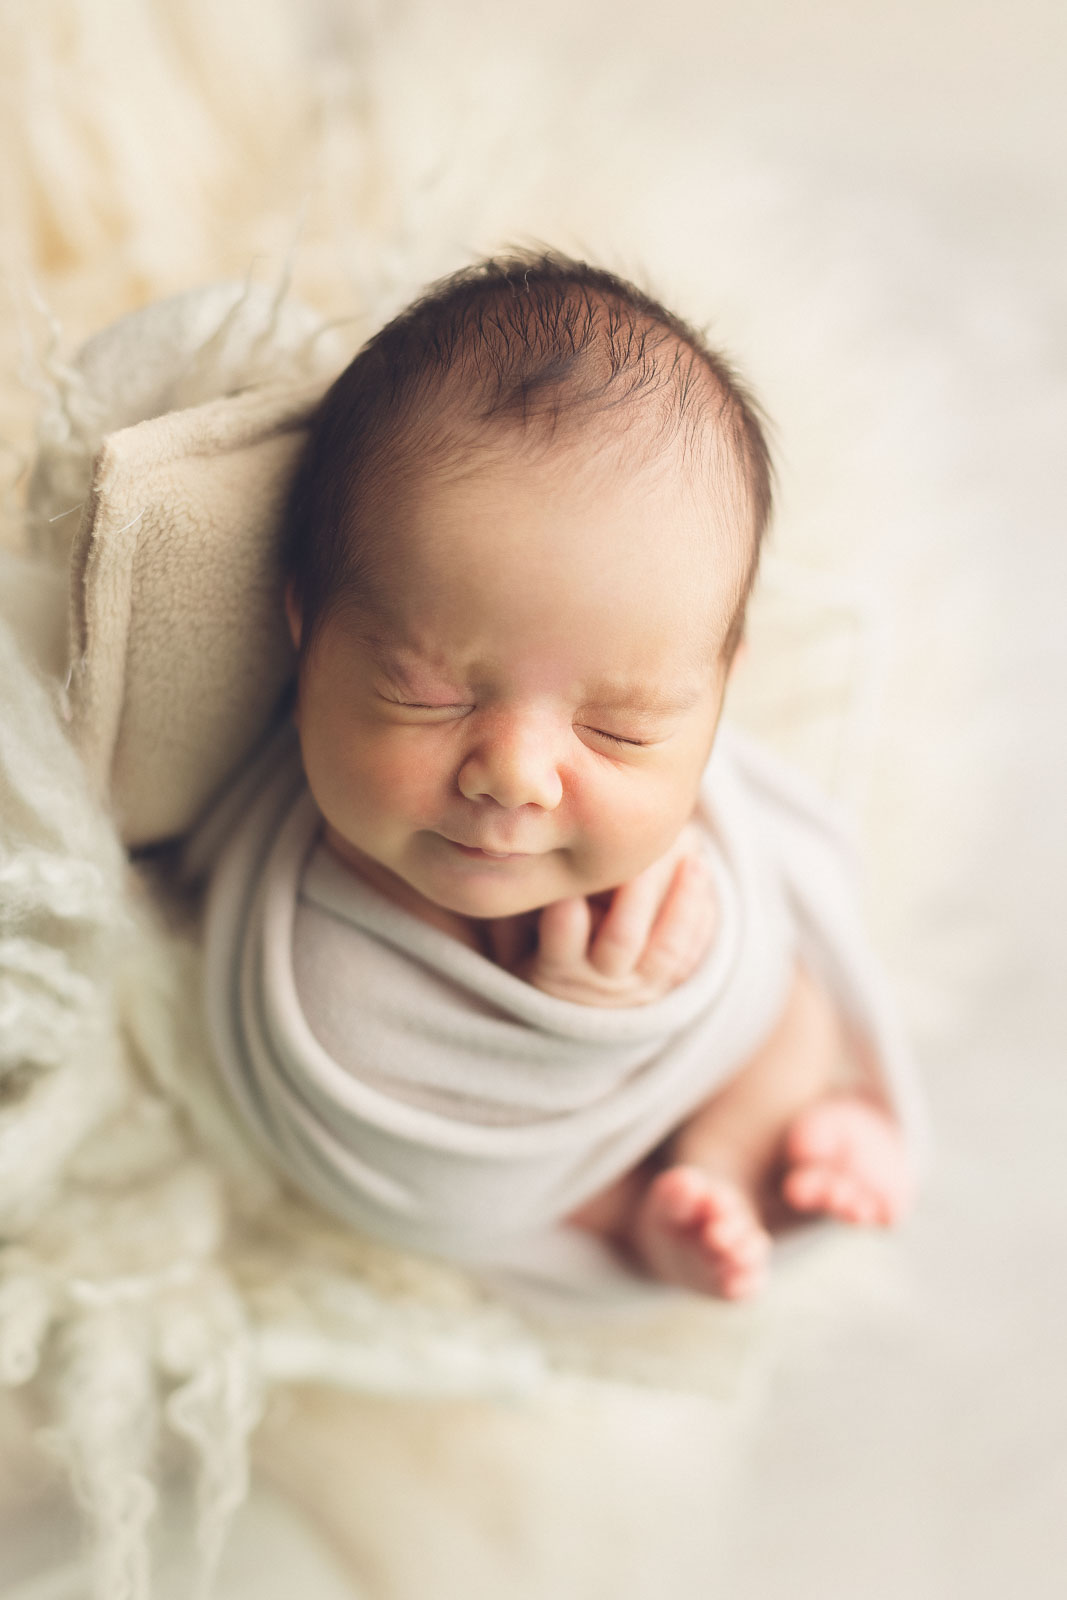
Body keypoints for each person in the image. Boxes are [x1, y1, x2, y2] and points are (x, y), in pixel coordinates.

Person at [205, 252, 920, 1301]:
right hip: (536, 1166)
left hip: (722, 1040)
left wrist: (674, 987)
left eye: (620, 727)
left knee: (783, 996)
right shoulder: (318, 958)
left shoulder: (675, 808)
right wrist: (586, 1020)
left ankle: (752, 1146)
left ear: (718, 689)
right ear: (305, 624)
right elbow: (433, 1183)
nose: (516, 776)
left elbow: (757, 933)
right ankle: (647, 1219)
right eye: (429, 695)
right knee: (573, 1178)